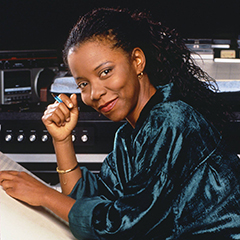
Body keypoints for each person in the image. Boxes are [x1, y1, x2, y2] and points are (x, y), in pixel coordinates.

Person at [1, 7, 240, 240]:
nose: (94, 93)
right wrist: (62, 140)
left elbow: (126, 225)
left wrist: (43, 195)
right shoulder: (128, 136)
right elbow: (91, 201)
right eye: (83, 84)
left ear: (137, 61)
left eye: (105, 72)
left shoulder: (171, 119)